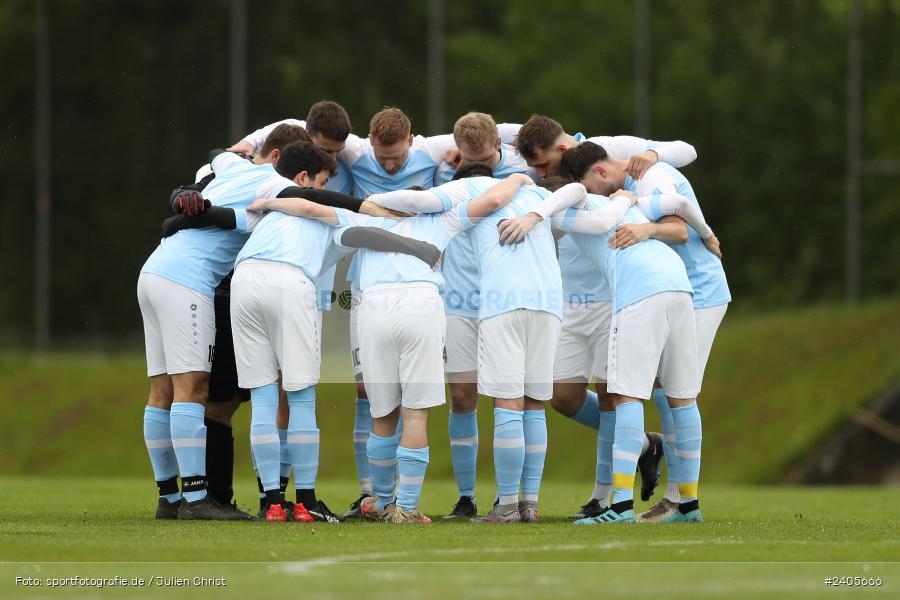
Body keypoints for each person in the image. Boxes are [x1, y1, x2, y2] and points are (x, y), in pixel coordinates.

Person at [249, 172, 532, 524]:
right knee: (416, 413)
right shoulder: (439, 219)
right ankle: (407, 508)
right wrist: (519, 178)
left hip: (373, 309)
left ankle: (381, 503)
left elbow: (307, 206)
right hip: (420, 304)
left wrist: (268, 202)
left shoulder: (366, 215)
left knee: (382, 415)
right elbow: (492, 200)